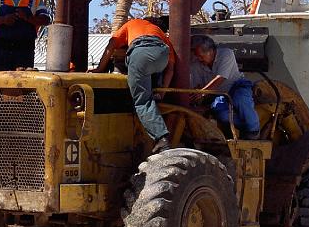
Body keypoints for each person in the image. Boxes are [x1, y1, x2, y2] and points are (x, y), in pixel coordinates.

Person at [91, 17, 175, 153]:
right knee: (150, 82)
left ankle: (161, 139)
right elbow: (170, 69)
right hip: (162, 56)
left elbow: (111, 44)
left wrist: (100, 68)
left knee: (142, 101)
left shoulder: (133, 22)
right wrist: (162, 94)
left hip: (140, 53)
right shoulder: (161, 34)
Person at [191, 34, 260, 139]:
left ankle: (254, 131)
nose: (199, 59)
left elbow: (220, 78)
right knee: (221, 113)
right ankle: (245, 127)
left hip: (237, 86)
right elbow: (197, 86)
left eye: (201, 56)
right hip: (219, 94)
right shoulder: (196, 65)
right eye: (197, 56)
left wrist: (202, 92)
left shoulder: (226, 54)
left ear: (211, 51)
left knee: (241, 100)